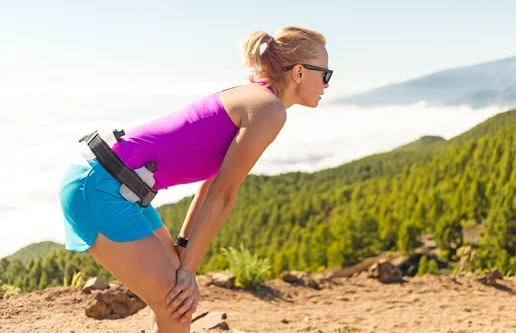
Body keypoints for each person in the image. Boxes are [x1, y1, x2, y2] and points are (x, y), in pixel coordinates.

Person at [59, 26, 332, 333]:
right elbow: (224, 194)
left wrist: (184, 250)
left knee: (173, 293)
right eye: (325, 74)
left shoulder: (257, 100)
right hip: (102, 186)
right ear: (299, 72)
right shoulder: (268, 109)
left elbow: (211, 185)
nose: (326, 84)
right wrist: (190, 269)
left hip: (115, 181)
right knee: (178, 305)